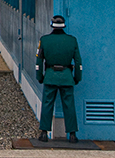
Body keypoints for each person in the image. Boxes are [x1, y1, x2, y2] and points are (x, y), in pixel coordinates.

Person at [35, 15, 82, 143]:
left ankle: (44, 132)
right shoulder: (72, 40)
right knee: (69, 105)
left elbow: (39, 61)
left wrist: (40, 77)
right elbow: (78, 62)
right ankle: (72, 134)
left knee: (47, 104)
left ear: (51, 25)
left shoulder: (44, 40)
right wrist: (77, 78)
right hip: (66, 76)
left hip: (50, 76)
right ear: (64, 26)